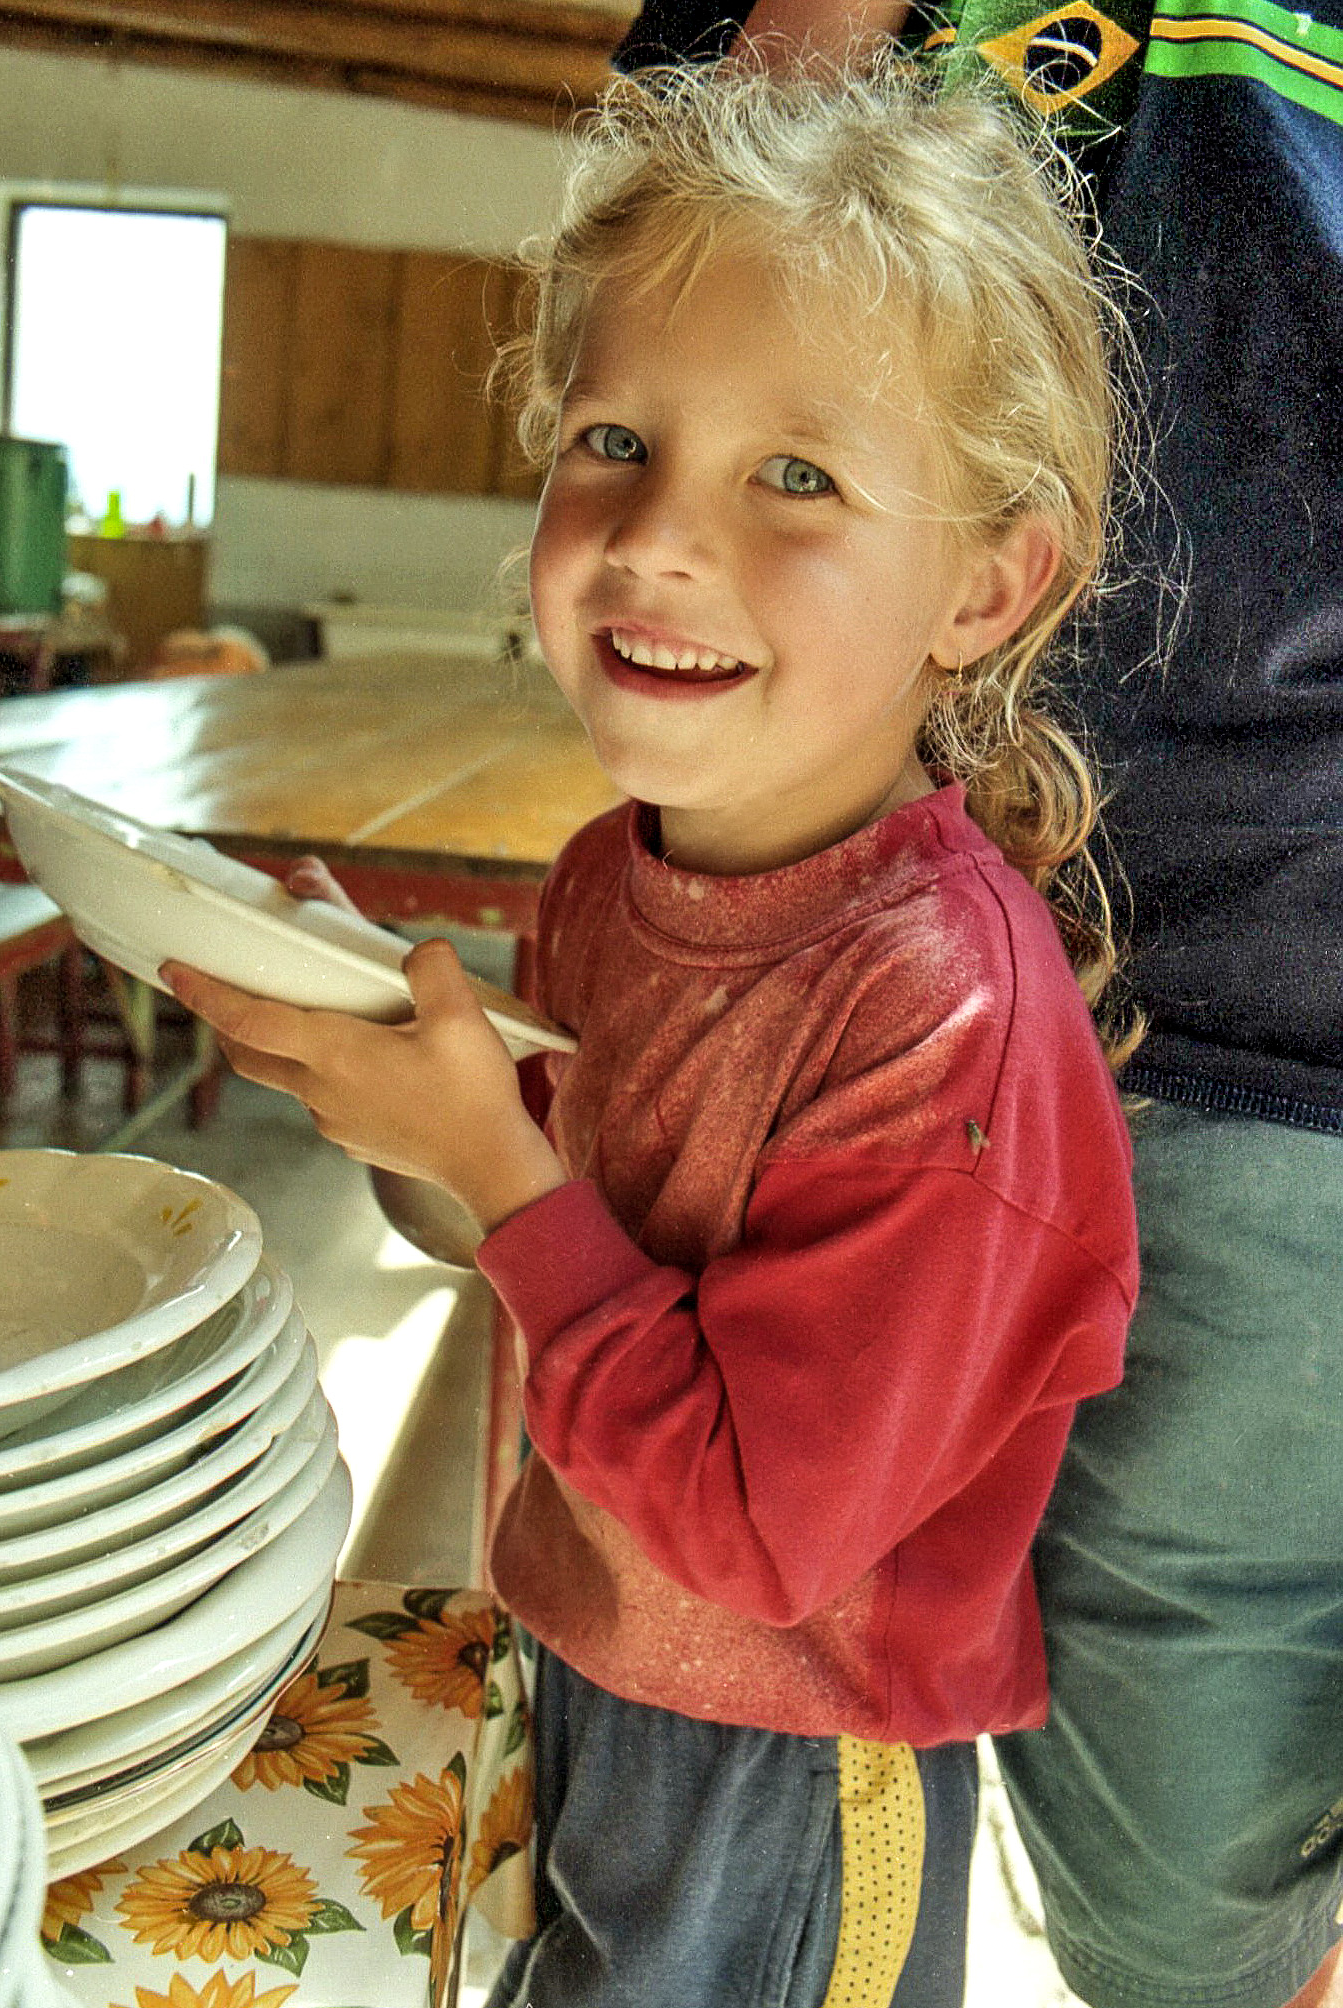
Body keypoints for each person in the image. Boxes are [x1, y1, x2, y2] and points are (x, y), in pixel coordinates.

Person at [166, 58, 1142, 2008]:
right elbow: (564, 1218)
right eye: (614, 438)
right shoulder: (610, 875)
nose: (658, 537)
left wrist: (490, 1156)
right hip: (595, 1648)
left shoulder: (940, 1009)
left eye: (799, 476)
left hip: (794, 1753)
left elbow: (763, 1531)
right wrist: (394, 1044)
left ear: (986, 580)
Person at [614, 6, 1343, 2008]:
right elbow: (707, 291)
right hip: (1003, 1013)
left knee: (1184, 1924)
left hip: (1244, 1033)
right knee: (1167, 1906)